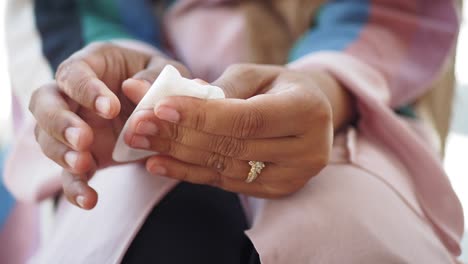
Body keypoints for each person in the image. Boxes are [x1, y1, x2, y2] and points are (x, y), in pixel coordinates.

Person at [2, 0, 464, 263]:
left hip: (349, 110)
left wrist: (327, 86)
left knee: (345, 228)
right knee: (144, 224)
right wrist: (104, 80)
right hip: (132, 135)